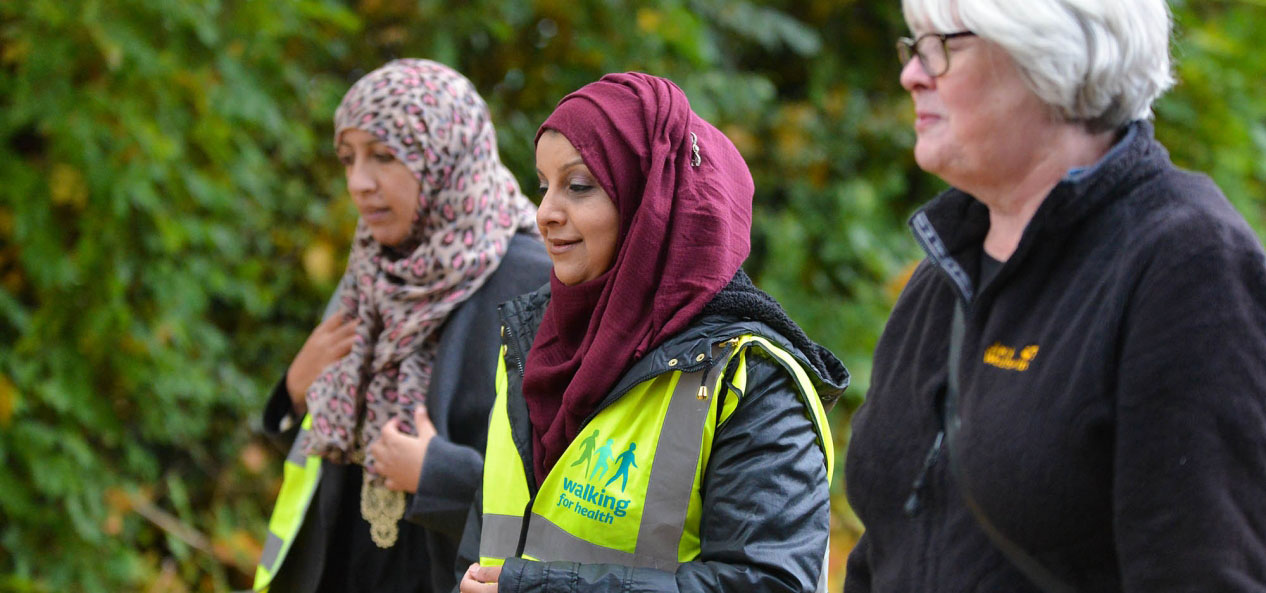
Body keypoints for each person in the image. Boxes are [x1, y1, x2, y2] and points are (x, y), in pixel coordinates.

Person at [844, 1, 1266, 591]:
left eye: (941, 46)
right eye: (913, 47)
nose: (912, 74)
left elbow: (1201, 570)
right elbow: (887, 546)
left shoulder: (1187, 262)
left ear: (1050, 58)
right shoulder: (943, 270)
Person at [453, 72, 849, 593]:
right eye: (542, 186)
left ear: (654, 205)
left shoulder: (750, 380)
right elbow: (480, 554)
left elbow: (769, 584)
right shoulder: (532, 345)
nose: (545, 213)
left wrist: (541, 588)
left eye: (578, 186)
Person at [254, 59, 551, 593]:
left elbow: (567, 490)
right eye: (347, 159)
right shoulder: (374, 266)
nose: (358, 183)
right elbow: (328, 456)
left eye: (384, 157)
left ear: (447, 157)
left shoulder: (535, 282)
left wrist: (440, 477)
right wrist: (296, 396)